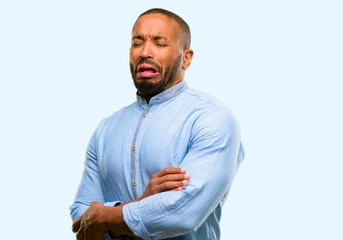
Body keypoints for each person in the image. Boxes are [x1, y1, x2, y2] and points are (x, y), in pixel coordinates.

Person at [70, 8, 245, 240]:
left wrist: (103, 217)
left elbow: (183, 214)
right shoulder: (105, 129)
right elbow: (81, 218)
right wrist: (141, 203)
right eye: (137, 43)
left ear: (186, 57)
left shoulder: (212, 118)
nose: (144, 52)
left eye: (159, 43)